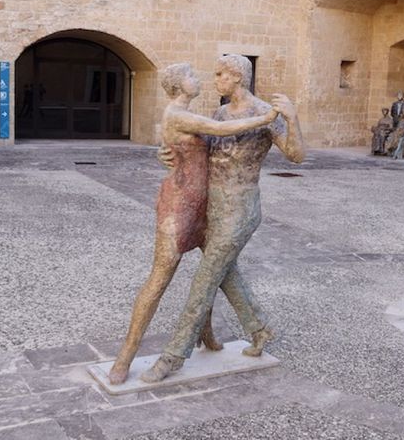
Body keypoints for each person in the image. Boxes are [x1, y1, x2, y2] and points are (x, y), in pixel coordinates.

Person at [108, 63, 278, 385]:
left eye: (214, 74)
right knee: (161, 280)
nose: (201, 79)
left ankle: (241, 332)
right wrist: (266, 118)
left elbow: (201, 147)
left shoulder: (197, 114)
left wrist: (167, 150)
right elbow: (223, 131)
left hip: (208, 206)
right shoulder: (178, 113)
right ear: (177, 85)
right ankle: (126, 356)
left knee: (220, 272)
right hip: (181, 205)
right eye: (192, 76)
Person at [141, 55, 305, 383]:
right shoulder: (219, 112)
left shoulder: (264, 112)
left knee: (205, 278)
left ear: (237, 77)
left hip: (241, 206)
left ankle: (174, 354)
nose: (215, 79)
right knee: (225, 273)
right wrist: (167, 154)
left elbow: (296, 155)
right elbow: (200, 148)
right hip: (212, 204)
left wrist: (294, 119)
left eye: (220, 75)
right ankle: (260, 329)